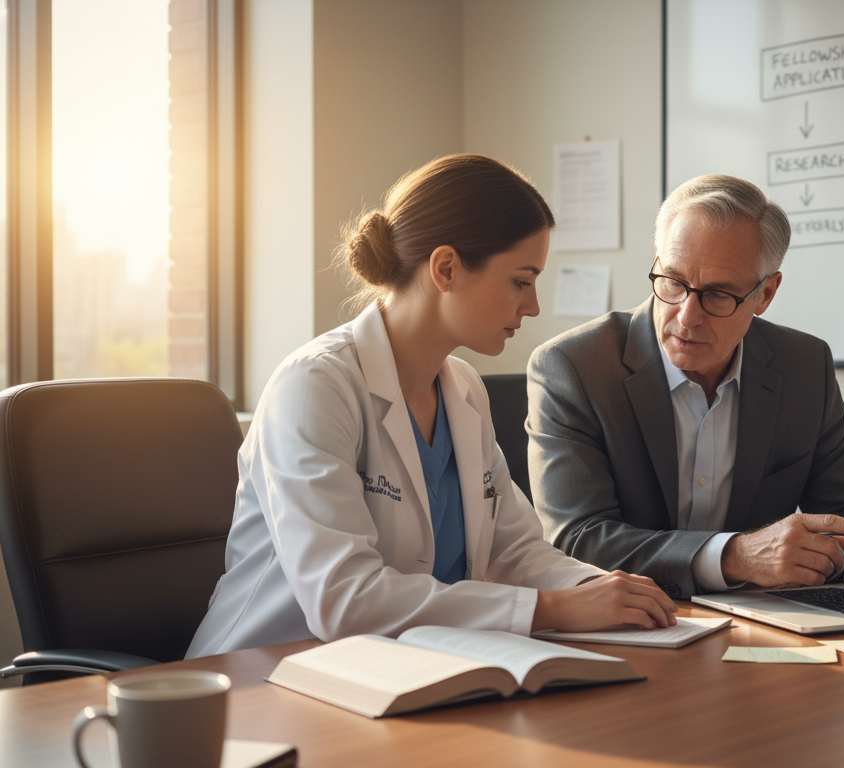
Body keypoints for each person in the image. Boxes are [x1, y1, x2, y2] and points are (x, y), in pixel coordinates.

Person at [188, 155, 677, 658]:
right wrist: (551, 609)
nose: (532, 306)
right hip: (262, 671)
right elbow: (344, 599)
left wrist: (601, 590)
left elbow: (515, 548)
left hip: (404, 666)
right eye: (521, 280)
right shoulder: (315, 385)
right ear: (446, 269)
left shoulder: (463, 388)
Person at [527, 174, 844, 599]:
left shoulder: (803, 366)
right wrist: (733, 556)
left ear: (765, 294)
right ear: (657, 261)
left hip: (762, 618)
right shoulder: (574, 367)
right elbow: (578, 537)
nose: (687, 317)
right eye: (673, 282)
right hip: (630, 617)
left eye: (718, 295)